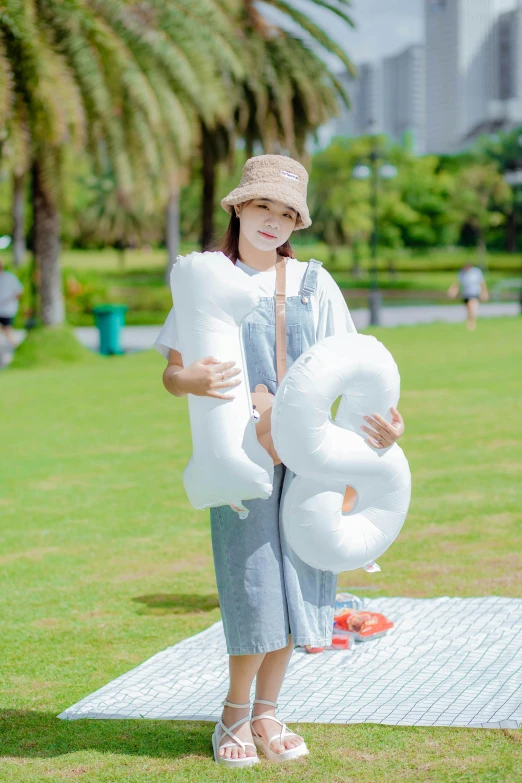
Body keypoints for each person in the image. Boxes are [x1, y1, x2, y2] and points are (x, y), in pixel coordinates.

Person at [154, 155, 405, 767]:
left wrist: (388, 423)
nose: (274, 222)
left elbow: (359, 365)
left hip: (311, 457)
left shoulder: (317, 285)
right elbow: (171, 371)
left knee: (298, 583)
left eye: (287, 213)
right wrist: (189, 378)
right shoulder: (208, 280)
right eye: (263, 207)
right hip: (240, 459)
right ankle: (233, 715)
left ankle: (269, 712)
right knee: (253, 584)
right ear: (238, 207)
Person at [447, 261, 489, 331]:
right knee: (468, 309)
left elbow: (482, 283)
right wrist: (453, 291)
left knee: (472, 307)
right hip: (466, 294)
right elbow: (457, 283)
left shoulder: (476, 272)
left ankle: (471, 323)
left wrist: (484, 292)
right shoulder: (461, 273)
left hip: (474, 293)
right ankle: (470, 322)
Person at [0, 257, 24, 354]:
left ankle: (18, 349)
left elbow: (19, 292)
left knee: (7, 330)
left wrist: (9, 300)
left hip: (7, 310)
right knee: (5, 330)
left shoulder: (9, 277)